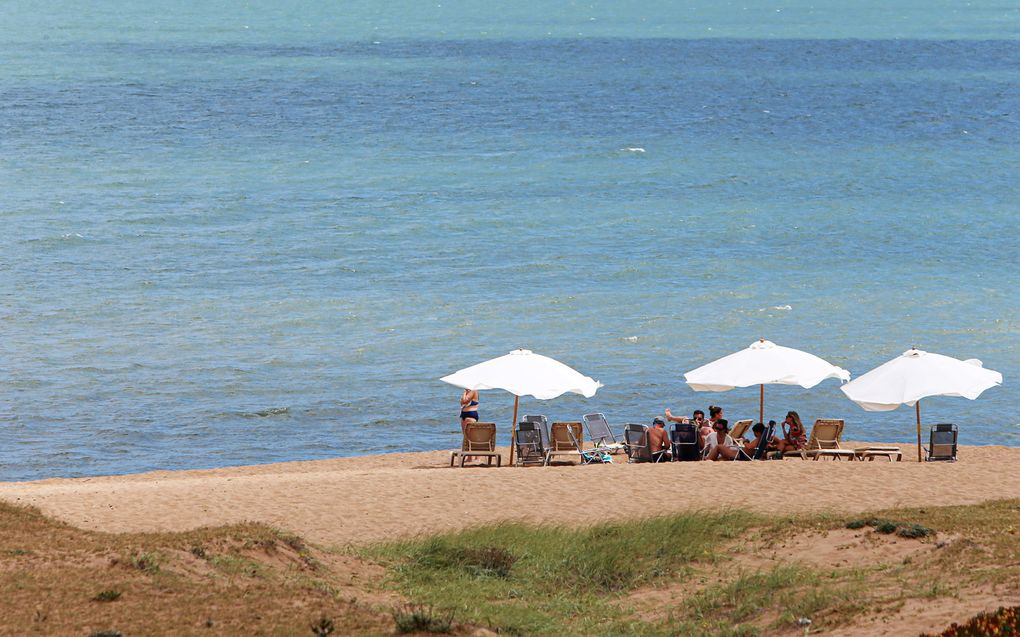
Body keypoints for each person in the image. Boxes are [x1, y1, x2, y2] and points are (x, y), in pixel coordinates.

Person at [459, 389, 480, 462]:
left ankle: (476, 456)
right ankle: (469, 456)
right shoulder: (468, 391)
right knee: (466, 436)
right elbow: (462, 403)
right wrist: (464, 394)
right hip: (464, 415)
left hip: (471, 415)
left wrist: (464, 392)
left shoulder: (473, 390)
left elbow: (464, 400)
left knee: (472, 436)